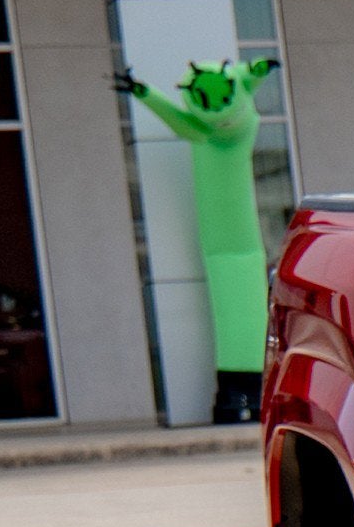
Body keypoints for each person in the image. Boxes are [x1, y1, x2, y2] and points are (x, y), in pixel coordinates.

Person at [118, 57, 280, 424]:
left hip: (235, 241)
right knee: (236, 308)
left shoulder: (210, 132)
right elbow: (181, 114)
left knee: (241, 307)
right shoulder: (203, 132)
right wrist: (145, 93)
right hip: (226, 242)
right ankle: (241, 391)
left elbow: (245, 78)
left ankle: (243, 392)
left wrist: (145, 93)